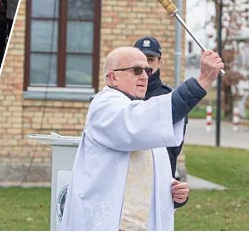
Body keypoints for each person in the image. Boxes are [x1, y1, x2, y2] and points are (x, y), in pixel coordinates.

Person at [60, 46, 224, 231]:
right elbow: (140, 123)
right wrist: (201, 82)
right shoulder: (105, 106)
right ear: (113, 77)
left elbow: (142, 169)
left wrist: (173, 191)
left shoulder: (140, 112)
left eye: (147, 70)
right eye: (137, 70)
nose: (145, 76)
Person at [135, 35, 188, 192]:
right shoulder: (124, 95)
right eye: (141, 58)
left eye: (150, 59)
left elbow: (172, 148)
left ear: (160, 62)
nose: (146, 65)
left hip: (158, 181)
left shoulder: (169, 98)